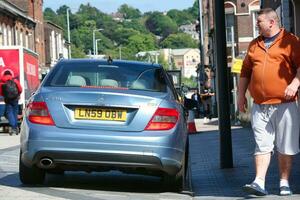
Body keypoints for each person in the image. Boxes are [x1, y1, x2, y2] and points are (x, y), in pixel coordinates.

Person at [238, 8, 300, 196]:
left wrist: (295, 83)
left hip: (285, 104)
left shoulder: (291, 41)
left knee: (285, 145)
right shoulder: (254, 45)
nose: (256, 24)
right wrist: (241, 95)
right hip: (260, 105)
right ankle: (259, 182)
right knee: (262, 144)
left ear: (272, 22)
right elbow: (245, 72)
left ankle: (284, 182)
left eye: (259, 22)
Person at [0, 70, 22, 135]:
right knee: (15, 112)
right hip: (15, 99)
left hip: (7, 99)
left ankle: (13, 126)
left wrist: (5, 96)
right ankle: (15, 127)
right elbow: (20, 89)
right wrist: (18, 94)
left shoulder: (2, 82)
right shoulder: (15, 80)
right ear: (10, 74)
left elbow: (1, 92)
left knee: (9, 113)